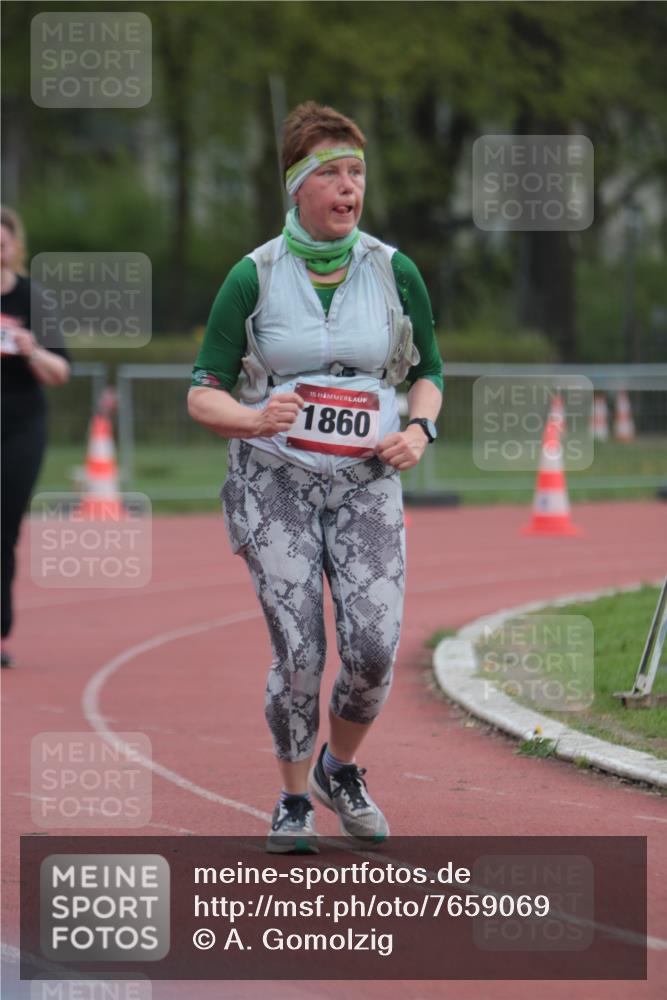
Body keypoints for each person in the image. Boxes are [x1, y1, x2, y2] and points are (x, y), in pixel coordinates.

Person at [188, 102, 443, 852]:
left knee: (373, 651)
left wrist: (418, 430)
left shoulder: (393, 270)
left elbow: (428, 373)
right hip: (276, 482)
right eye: (330, 173)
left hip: (367, 480)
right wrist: (252, 418)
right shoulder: (254, 276)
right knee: (300, 651)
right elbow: (202, 392)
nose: (348, 186)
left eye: (356, 172)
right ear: (296, 187)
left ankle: (340, 768)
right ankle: (294, 797)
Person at [1, 206, 70, 667]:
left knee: (3, 528)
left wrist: (32, 350)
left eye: (1, 243)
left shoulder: (33, 299)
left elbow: (61, 371)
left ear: (14, 247)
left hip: (20, 427)